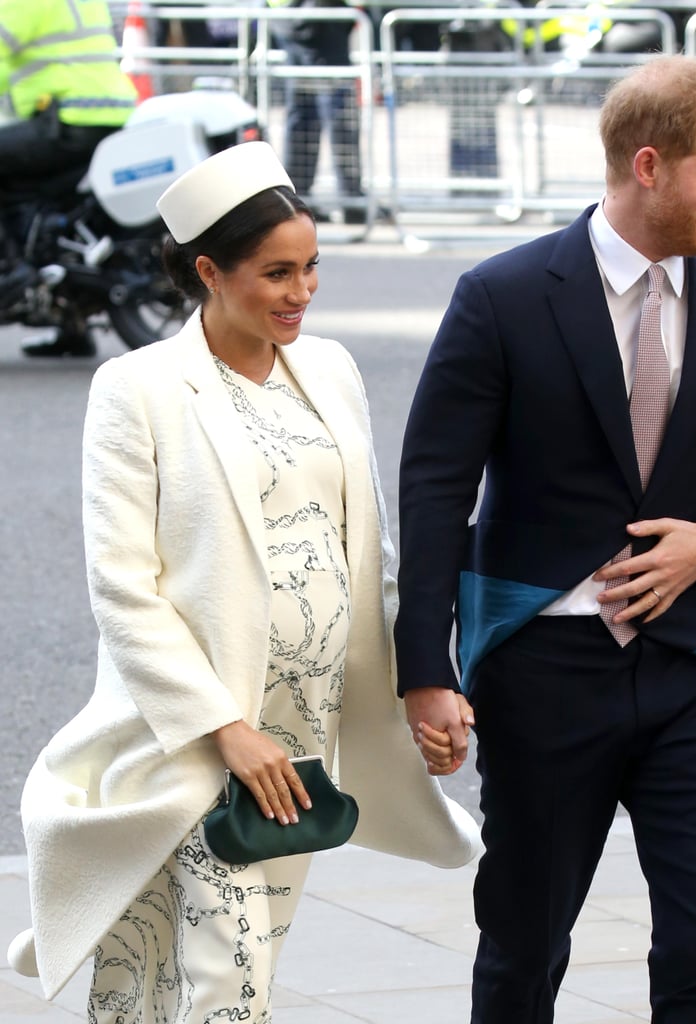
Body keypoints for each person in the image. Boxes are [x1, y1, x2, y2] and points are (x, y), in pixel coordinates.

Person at [6, 140, 479, 1021]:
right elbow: (121, 586)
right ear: (209, 272)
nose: (300, 293)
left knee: (148, 974)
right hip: (189, 738)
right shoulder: (137, 388)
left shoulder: (330, 371)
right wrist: (226, 730)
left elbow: (365, 555)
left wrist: (421, 685)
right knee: (232, 981)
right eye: (275, 273)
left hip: (302, 739)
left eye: (311, 269)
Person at [395, 56, 696, 1023]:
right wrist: (426, 668)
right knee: (525, 946)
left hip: (690, 664)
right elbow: (433, 488)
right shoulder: (501, 294)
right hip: (542, 670)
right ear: (652, 165)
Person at [0, 0, 138, 358]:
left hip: (70, 118)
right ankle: (72, 327)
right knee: (47, 200)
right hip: (108, 113)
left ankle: (11, 272)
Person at [269, 0, 369, 223]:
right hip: (323, 20)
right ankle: (350, 201)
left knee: (302, 118)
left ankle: (296, 202)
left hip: (289, 21)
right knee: (339, 118)